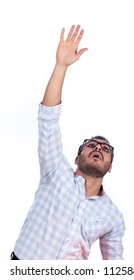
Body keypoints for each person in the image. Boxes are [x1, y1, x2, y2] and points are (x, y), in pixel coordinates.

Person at [11, 25, 125, 260]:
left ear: (110, 166)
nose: (97, 149)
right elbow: (48, 120)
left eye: (105, 149)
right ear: (77, 158)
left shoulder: (113, 216)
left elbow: (115, 267)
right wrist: (61, 66)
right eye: (91, 145)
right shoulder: (55, 171)